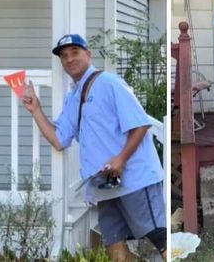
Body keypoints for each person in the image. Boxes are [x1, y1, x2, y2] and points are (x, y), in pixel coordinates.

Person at [21, 34, 166, 261]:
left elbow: (140, 124)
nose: (69, 59)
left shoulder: (109, 83)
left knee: (162, 240)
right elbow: (59, 140)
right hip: (104, 185)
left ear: (88, 54)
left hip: (135, 178)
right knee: (115, 250)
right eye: (64, 56)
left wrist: (121, 159)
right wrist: (36, 109)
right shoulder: (73, 98)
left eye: (75, 53)